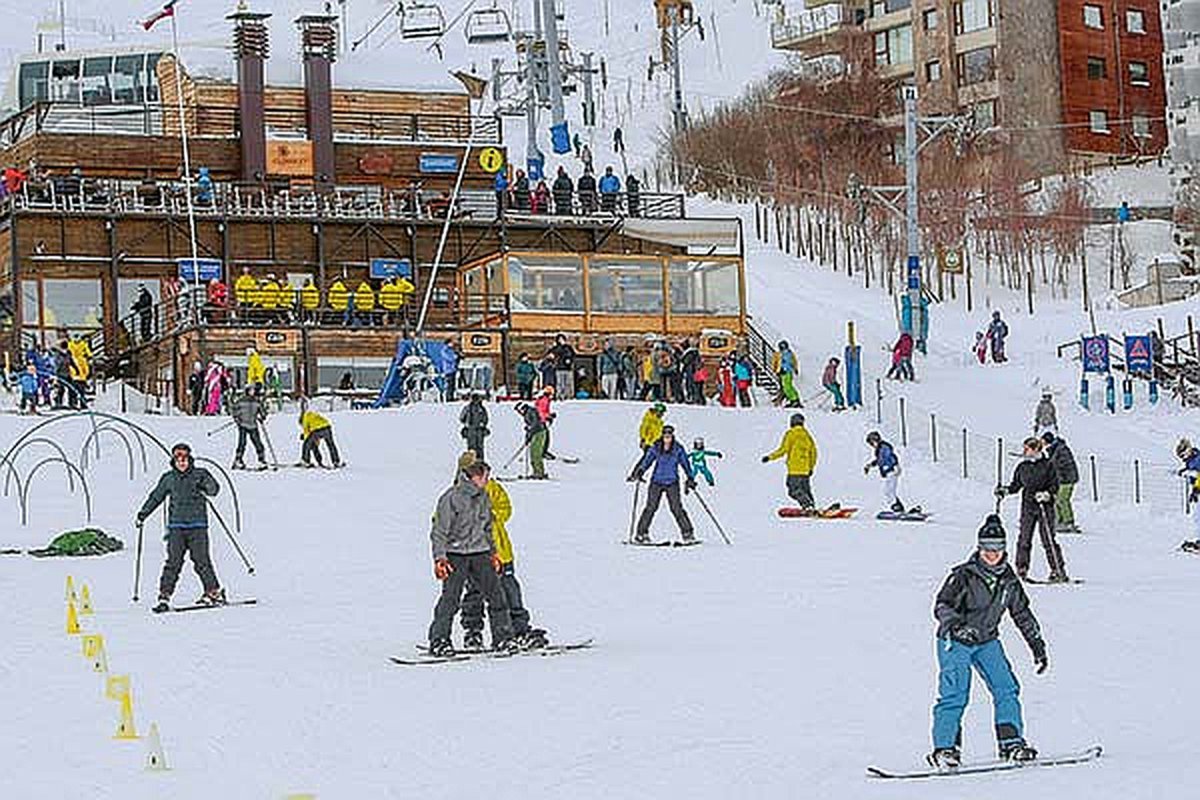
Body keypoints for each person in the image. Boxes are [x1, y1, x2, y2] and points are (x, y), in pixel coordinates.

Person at [928, 514, 1047, 770]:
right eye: (986, 549)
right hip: (955, 640)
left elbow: (1022, 614)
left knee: (1007, 688)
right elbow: (941, 605)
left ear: (1004, 549)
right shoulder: (963, 575)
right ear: (978, 548)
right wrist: (957, 626)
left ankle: (1012, 744)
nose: (991, 554)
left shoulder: (1009, 581)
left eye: (997, 549)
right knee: (955, 694)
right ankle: (945, 750)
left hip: (987, 641)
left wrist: (1037, 646)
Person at [457, 451, 547, 651]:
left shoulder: (493, 488)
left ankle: (519, 629)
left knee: (510, 590)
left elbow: (505, 508)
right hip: (475, 552)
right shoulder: (457, 495)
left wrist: (489, 515)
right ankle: (473, 632)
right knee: (475, 593)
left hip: (501, 551)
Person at [426, 460, 518, 657]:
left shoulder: (484, 497)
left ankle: (502, 638)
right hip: (456, 555)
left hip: (481, 554)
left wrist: (493, 553)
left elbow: (487, 528)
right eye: (484, 477)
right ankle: (439, 640)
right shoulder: (450, 498)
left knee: (496, 595)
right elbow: (439, 532)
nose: (487, 481)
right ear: (474, 476)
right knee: (450, 599)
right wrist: (440, 558)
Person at [136, 442, 225, 613]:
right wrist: (143, 513)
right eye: (178, 458)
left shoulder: (200, 474)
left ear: (190, 459)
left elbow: (215, 490)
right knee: (173, 562)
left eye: (185, 458)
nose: (182, 462)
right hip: (176, 526)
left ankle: (213, 591)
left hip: (197, 526)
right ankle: (164, 596)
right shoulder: (168, 478)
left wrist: (206, 485)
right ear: (173, 460)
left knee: (201, 561)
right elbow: (156, 497)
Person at [996, 437, 1067, 582]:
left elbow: (1055, 486)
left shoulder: (1048, 465)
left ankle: (1057, 570)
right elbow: (1015, 486)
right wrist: (1004, 491)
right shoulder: (1023, 467)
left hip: (1044, 506)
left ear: (1036, 449)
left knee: (1048, 539)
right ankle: (1021, 568)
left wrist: (1047, 494)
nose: (1024, 452)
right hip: (1028, 505)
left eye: (1027, 449)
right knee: (1024, 538)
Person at [628, 425, 697, 544]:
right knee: (651, 507)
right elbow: (647, 460)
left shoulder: (678, 449)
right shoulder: (656, 447)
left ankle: (688, 533)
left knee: (677, 508)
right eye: (665, 436)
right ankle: (641, 534)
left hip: (672, 483)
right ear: (662, 436)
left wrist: (690, 477)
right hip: (656, 482)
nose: (667, 438)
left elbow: (685, 463)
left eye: (669, 436)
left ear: (672, 436)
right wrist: (640, 471)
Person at [762, 413, 818, 510]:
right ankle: (811, 505)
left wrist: (769, 457)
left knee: (793, 490)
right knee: (805, 490)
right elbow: (813, 453)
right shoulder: (807, 436)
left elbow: (783, 450)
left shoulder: (791, 434)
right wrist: (811, 467)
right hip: (805, 469)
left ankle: (807, 505)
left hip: (794, 469)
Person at [1042, 432, 1078, 534]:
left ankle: (1069, 522)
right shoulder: (1055, 449)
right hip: (1061, 479)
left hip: (1067, 479)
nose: (1043, 445)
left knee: (1062, 499)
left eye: (1044, 442)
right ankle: (1059, 521)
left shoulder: (1061, 450)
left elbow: (1057, 464)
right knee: (1057, 499)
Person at [864, 431, 904, 513]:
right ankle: (898, 507)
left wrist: (895, 465)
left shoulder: (884, 447)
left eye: (871, 443)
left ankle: (897, 507)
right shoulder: (880, 449)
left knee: (888, 491)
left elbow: (890, 456)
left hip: (892, 470)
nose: (872, 445)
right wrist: (870, 465)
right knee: (889, 491)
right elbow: (879, 460)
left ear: (875, 440)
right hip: (889, 471)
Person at [230, 386, 269, 470]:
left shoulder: (257, 401)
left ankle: (261, 460)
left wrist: (262, 416)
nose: (252, 392)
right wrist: (236, 418)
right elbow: (234, 409)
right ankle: (238, 460)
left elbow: (262, 411)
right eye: (251, 391)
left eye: (253, 391)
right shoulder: (241, 400)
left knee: (257, 442)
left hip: (253, 425)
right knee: (242, 443)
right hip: (243, 424)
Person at [1176, 439, 1200, 550]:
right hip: (1197, 489)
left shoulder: (1198, 459)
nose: (1182, 458)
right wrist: (1184, 470)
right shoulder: (1192, 459)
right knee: (1197, 516)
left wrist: (1196, 489)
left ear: (1188, 451)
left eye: (1182, 455)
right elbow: (1193, 470)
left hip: (1198, 488)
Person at [516, 402, 548, 479]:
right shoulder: (527, 413)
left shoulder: (531, 411)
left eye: (519, 411)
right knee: (533, 453)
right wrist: (528, 434)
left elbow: (535, 424)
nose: (519, 413)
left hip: (539, 433)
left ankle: (539, 472)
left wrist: (530, 431)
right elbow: (530, 426)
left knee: (535, 453)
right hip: (536, 433)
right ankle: (537, 471)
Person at [460, 391, 489, 460]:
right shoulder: (468, 408)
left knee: (479, 448)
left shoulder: (482, 409)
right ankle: (472, 463)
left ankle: (480, 462)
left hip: (479, 430)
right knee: (472, 448)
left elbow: (486, 419)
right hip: (471, 430)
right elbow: (462, 418)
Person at [773, 340, 801, 407]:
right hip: (781, 371)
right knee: (785, 386)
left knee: (787, 386)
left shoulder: (789, 354)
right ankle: (793, 399)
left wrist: (795, 368)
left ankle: (794, 399)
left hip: (787, 372)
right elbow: (775, 362)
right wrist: (775, 369)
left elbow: (794, 362)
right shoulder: (778, 354)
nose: (783, 349)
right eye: (782, 347)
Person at [549, 334, 576, 400]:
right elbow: (551, 355)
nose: (561, 340)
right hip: (559, 367)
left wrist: (570, 361)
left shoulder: (568, 347)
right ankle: (560, 395)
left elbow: (573, 355)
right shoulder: (556, 348)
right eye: (559, 339)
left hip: (568, 368)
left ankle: (568, 395)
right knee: (560, 383)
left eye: (562, 339)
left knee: (568, 383)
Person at [535, 385, 557, 459]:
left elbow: (545, 411)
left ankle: (543, 451)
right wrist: (548, 416)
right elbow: (540, 412)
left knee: (546, 437)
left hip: (541, 421)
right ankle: (543, 452)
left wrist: (550, 415)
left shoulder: (546, 400)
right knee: (545, 437)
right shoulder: (544, 400)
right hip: (540, 421)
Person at [679, 339, 702, 405]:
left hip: (690, 371)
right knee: (696, 386)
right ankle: (696, 398)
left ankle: (692, 397)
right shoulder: (696, 353)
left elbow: (685, 362)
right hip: (694, 371)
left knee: (689, 385)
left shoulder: (689, 353)